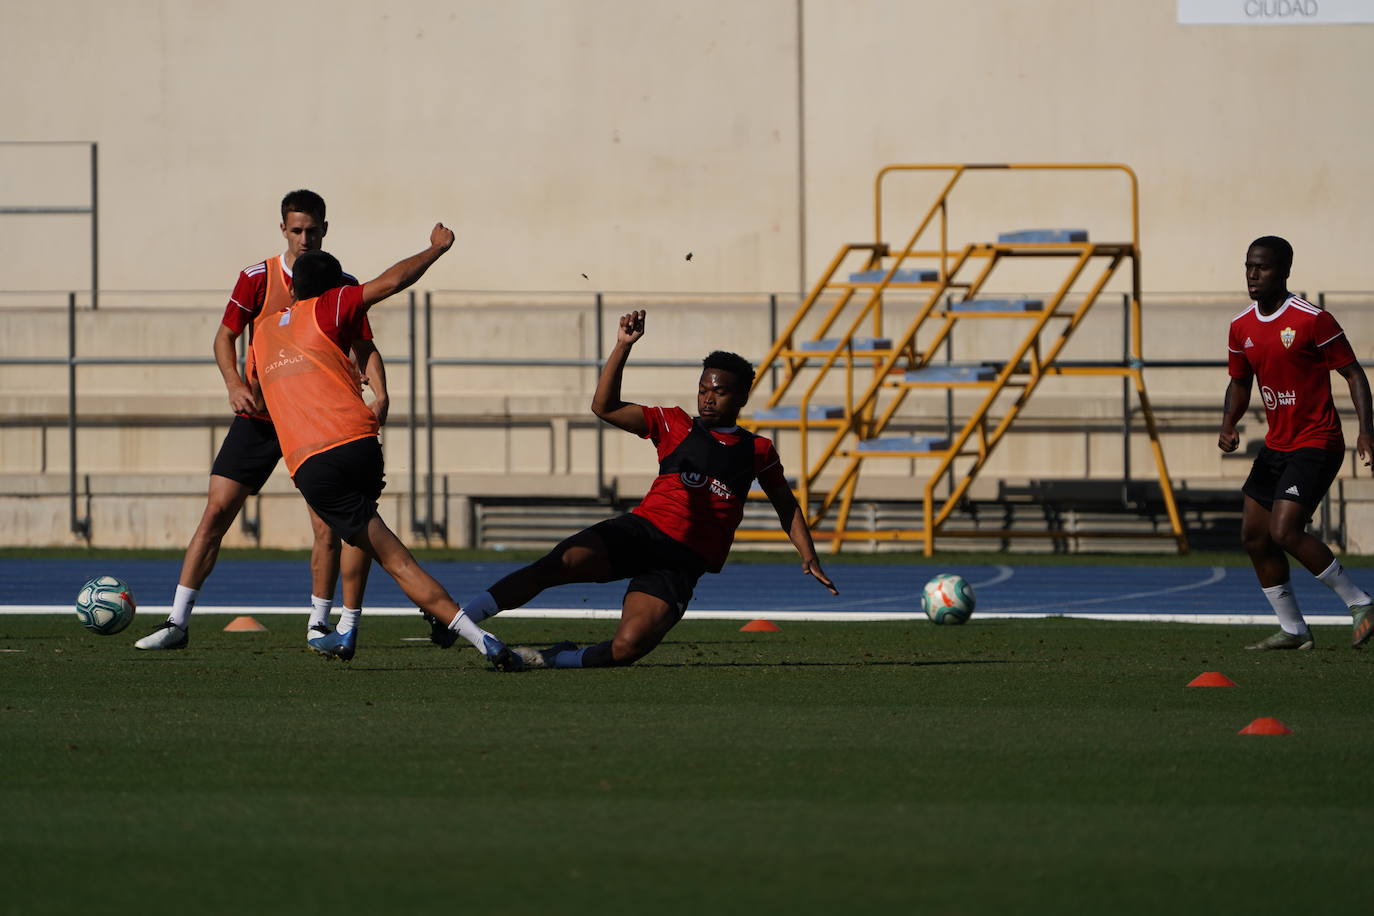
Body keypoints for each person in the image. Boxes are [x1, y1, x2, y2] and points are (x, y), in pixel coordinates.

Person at [437, 309, 838, 670]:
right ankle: (462, 621)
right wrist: (622, 347)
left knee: (628, 647)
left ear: (742, 396)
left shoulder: (757, 450)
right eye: (703, 388)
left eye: (719, 391)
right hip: (641, 533)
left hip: (682, 563)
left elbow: (786, 504)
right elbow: (604, 406)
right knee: (556, 564)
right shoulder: (674, 423)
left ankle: (548, 659)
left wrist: (809, 554)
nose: (708, 397)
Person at [134, 190, 387, 651]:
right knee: (217, 510)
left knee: (326, 526)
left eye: (313, 230)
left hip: (314, 419)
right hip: (263, 414)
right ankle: (177, 621)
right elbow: (225, 337)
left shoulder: (339, 282)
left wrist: (382, 391)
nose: (305, 238)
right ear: (283, 230)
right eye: (296, 230)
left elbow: (364, 345)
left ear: (325, 229)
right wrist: (233, 383)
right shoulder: (257, 277)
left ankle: (319, 625)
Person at [254, 224, 507, 666]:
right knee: (372, 541)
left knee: (388, 554)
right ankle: (348, 631)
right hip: (359, 441)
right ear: (334, 287)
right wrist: (435, 249)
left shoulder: (262, 332)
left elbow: (261, 392)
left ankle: (480, 639)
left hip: (313, 461)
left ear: (293, 288)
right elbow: (391, 283)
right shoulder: (332, 306)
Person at [1219, 235, 1374, 649]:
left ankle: (1360, 603)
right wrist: (1229, 423)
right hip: (1277, 445)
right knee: (1254, 535)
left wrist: (1365, 430)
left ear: (1284, 271)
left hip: (1317, 441)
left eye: (1263, 267)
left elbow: (1354, 374)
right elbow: (1238, 382)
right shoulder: (1241, 326)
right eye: (1249, 266)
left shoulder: (1312, 320)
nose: (1253, 275)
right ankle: (1293, 629)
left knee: (1284, 530)